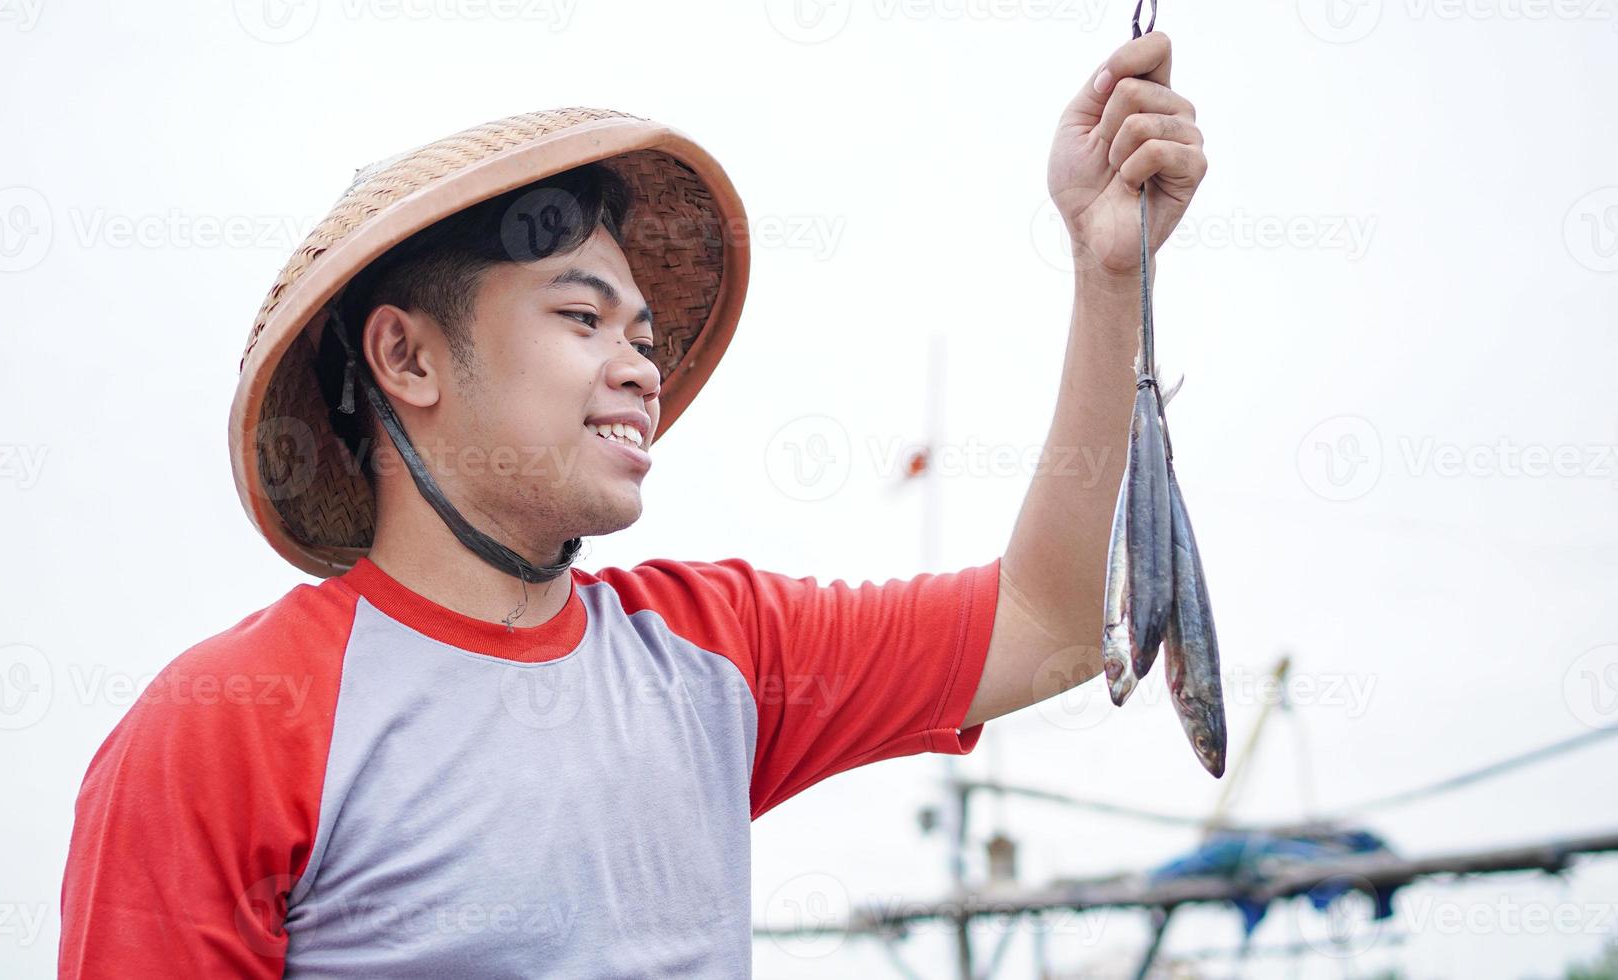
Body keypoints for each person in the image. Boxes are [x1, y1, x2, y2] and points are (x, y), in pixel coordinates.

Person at [59, 32, 1206, 979]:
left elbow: (1048, 624)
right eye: (580, 317)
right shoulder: (223, 725)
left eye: (645, 337)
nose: (639, 368)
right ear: (406, 357)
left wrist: (1108, 272)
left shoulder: (714, 651)